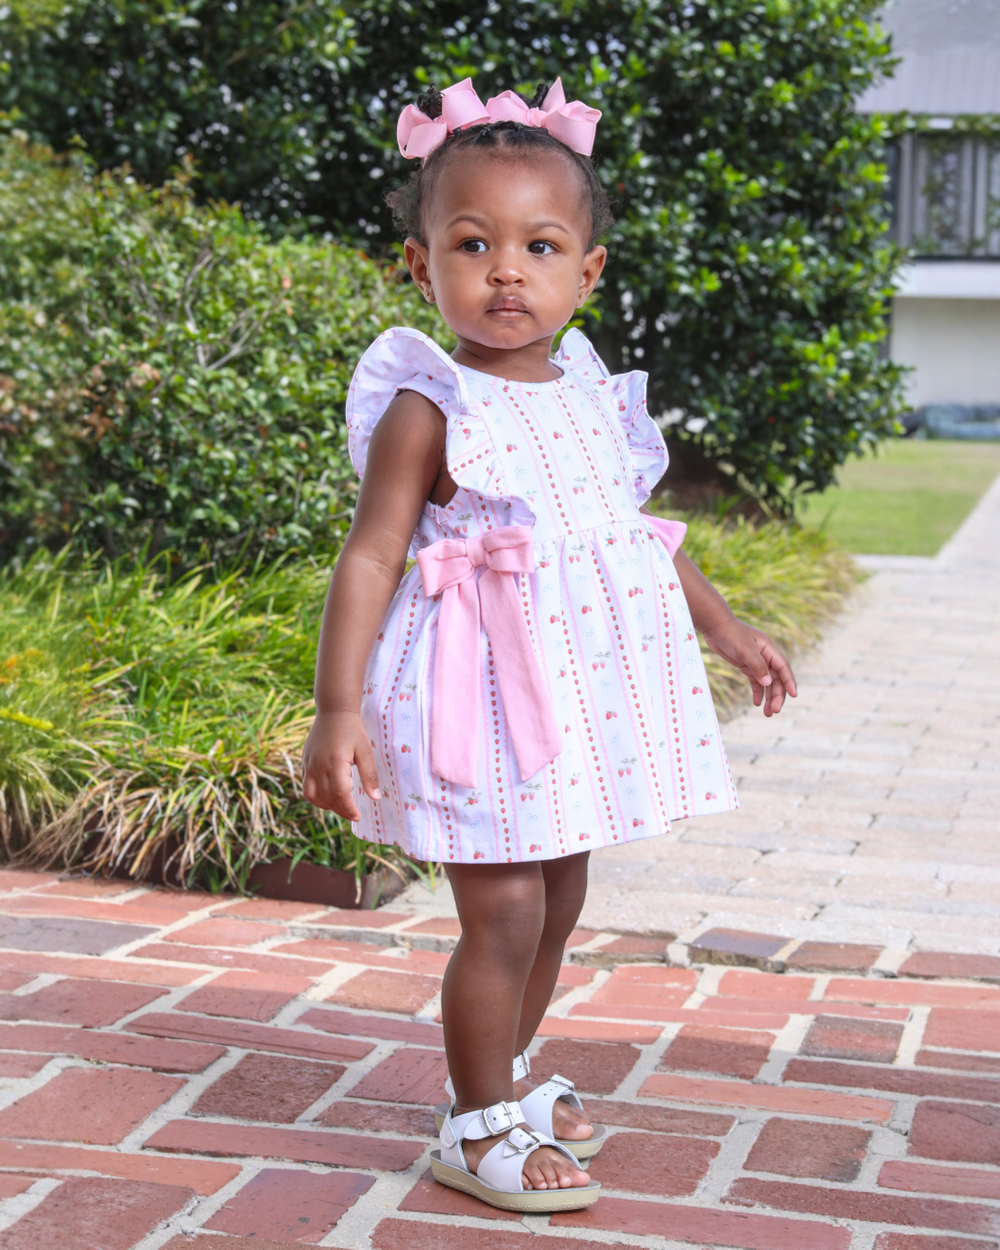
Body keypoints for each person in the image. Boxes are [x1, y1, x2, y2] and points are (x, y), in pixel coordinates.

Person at [302, 76, 796, 1214]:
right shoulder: (429, 406)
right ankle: (475, 1123)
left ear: (588, 271)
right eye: (472, 244)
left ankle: (511, 1075)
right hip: (473, 694)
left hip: (573, 695)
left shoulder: (587, 390)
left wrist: (726, 627)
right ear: (425, 269)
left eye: (540, 244)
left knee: (561, 890)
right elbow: (370, 556)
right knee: (506, 904)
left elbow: (632, 532)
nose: (506, 270)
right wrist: (337, 710)